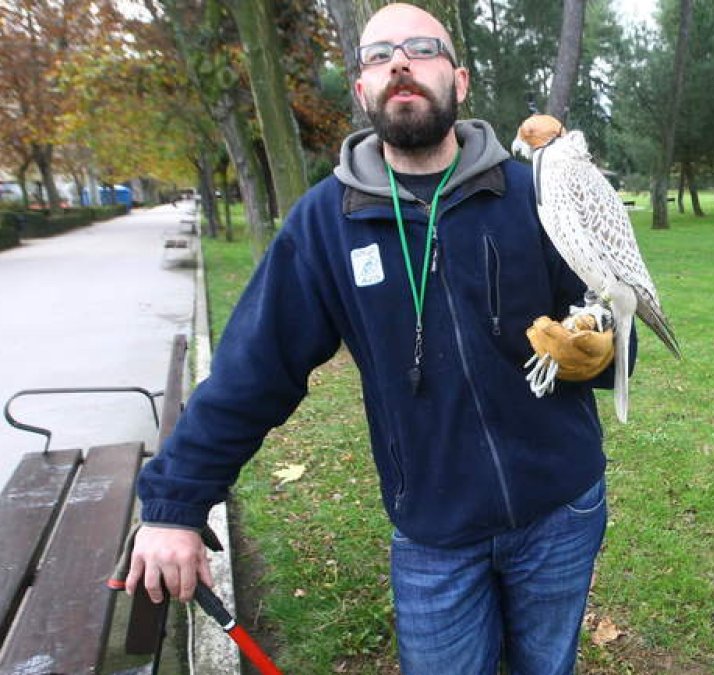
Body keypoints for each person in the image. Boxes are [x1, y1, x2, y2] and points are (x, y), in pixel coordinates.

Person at [125, 4, 632, 673]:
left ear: (460, 79)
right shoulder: (325, 225)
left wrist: (603, 342)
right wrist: (175, 500)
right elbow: (254, 370)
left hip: (561, 509)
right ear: (362, 90)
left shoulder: (531, 193)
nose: (399, 62)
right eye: (376, 55)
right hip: (434, 531)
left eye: (421, 48)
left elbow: (606, 307)